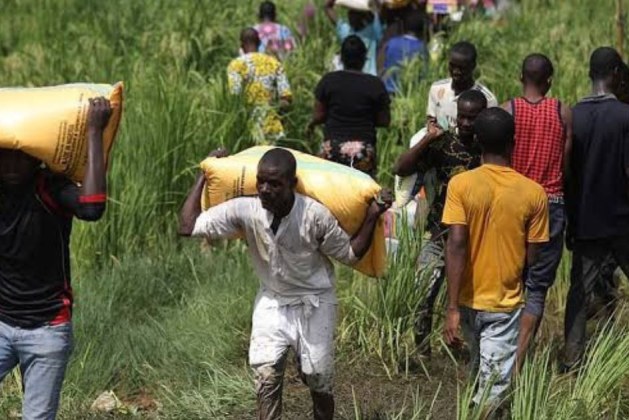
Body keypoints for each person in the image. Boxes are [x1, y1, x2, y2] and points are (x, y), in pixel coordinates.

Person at [178, 148, 392, 420]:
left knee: (318, 378)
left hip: (315, 299)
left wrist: (373, 214)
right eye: (261, 182)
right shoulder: (247, 209)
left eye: (275, 184)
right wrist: (204, 171)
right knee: (265, 376)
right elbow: (187, 226)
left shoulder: (314, 215)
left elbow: (350, 254)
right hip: (273, 299)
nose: (265, 190)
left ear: (292, 184)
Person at [0, 98, 112, 419]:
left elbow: (92, 207)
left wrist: (94, 131)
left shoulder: (50, 188)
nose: (10, 167)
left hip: (47, 329)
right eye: (3, 158)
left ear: (36, 158)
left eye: (19, 159)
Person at [442, 107, 549, 410]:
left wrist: (451, 306)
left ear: (477, 141)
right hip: (504, 303)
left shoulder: (460, 185)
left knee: (480, 374)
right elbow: (532, 255)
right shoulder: (534, 193)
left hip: (465, 301)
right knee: (493, 389)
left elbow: (457, 244)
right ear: (512, 143)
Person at [393, 89, 487, 355]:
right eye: (463, 117)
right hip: (438, 230)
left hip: (474, 235)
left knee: (469, 298)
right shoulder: (444, 144)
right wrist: (427, 140)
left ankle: (467, 348)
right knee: (425, 290)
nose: (467, 123)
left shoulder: (488, 150)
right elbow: (401, 168)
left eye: (473, 118)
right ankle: (421, 348)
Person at [501, 53, 572, 368]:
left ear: (521, 78)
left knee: (509, 278)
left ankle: (498, 352)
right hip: (551, 204)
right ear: (549, 81)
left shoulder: (508, 111)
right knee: (538, 285)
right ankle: (518, 362)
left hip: (513, 204)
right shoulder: (562, 112)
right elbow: (567, 164)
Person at [563, 47, 629, 371]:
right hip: (623, 221)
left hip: (587, 221)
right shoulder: (625, 117)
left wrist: (572, 219)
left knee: (579, 292)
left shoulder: (574, 115)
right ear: (616, 73)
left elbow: (567, 173)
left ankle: (572, 359)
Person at [307, 35, 391, 177]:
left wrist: (311, 124)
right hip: (363, 150)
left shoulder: (328, 81)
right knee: (362, 193)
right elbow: (384, 120)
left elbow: (319, 115)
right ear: (364, 58)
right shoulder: (375, 84)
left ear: (341, 58)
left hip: (332, 148)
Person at [227, 28, 293, 144]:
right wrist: (269, 109)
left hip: (245, 132)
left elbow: (235, 99)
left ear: (241, 45)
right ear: (259, 42)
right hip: (272, 129)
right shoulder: (274, 63)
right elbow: (286, 100)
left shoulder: (235, 65)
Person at [426, 41, 497, 131]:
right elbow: (431, 118)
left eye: (462, 68)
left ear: (473, 66)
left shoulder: (487, 99)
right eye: (452, 66)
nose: (456, 72)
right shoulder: (437, 89)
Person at [324, 0, 384, 76]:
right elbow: (327, 8)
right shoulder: (347, 31)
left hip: (364, 78)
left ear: (362, 16)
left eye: (353, 13)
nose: (349, 16)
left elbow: (379, 12)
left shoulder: (373, 31)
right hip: (366, 78)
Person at [381, 10, 428, 95]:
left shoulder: (391, 43)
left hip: (388, 91)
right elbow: (424, 74)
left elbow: (383, 66)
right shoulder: (422, 48)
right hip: (409, 94)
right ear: (422, 30)